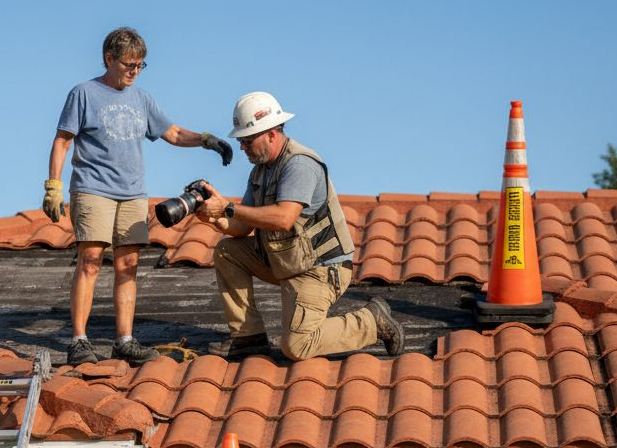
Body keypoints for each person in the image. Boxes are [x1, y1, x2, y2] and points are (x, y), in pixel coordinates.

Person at [44, 27, 232, 366]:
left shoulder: (142, 99)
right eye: (129, 64)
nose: (134, 71)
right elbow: (62, 140)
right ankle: (79, 340)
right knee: (89, 261)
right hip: (93, 188)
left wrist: (206, 139)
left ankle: (125, 340)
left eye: (141, 65)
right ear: (109, 59)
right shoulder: (84, 93)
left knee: (128, 264)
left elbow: (172, 133)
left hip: (131, 194)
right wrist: (53, 184)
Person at [194, 91, 404, 361]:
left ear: (271, 133)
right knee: (227, 250)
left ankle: (371, 321)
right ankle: (248, 338)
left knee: (297, 346)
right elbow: (242, 228)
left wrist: (228, 207)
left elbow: (284, 218)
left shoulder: (300, 164)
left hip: (320, 269)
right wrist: (216, 218)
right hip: (287, 260)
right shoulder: (259, 171)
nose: (242, 147)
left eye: (247, 140)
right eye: (241, 141)